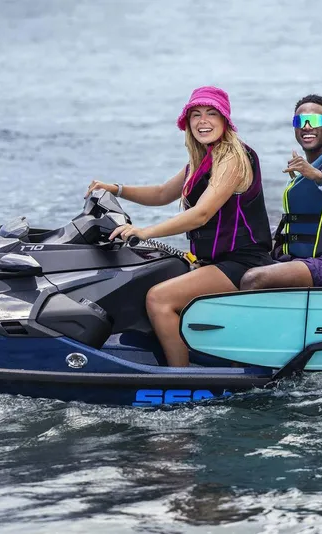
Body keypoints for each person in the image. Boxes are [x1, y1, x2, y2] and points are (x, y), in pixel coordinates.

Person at [85, 86, 272, 366]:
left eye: (211, 113)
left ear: (225, 120)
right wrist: (116, 189)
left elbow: (202, 213)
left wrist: (145, 232)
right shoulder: (201, 161)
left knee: (159, 298)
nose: (202, 121)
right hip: (214, 261)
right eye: (195, 115)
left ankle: (179, 379)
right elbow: (161, 193)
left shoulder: (233, 157)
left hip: (243, 262)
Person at [239, 95, 322, 290]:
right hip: (309, 259)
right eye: (299, 121)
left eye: (316, 120)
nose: (307, 126)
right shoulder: (308, 166)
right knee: (237, 265)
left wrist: (318, 176)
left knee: (254, 279)